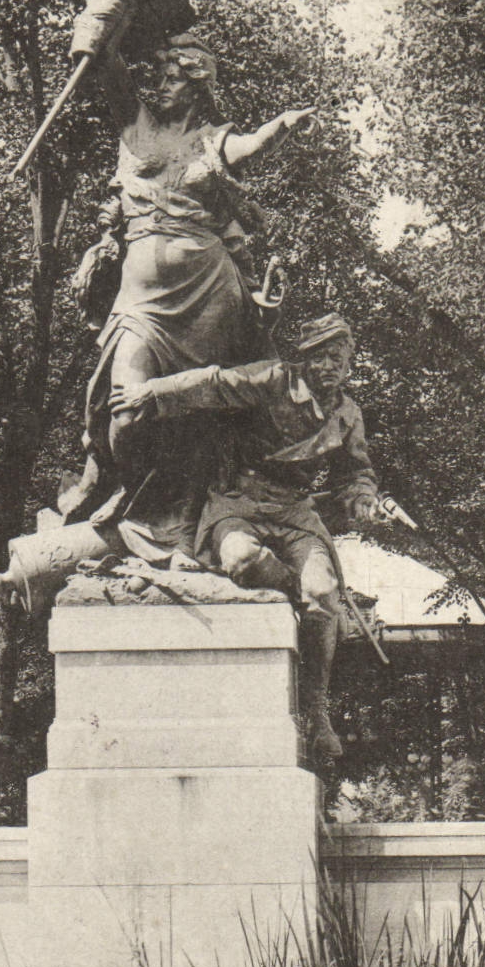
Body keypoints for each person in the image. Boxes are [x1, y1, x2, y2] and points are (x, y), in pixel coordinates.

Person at [59, 30, 314, 557]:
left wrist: (283, 125)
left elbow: (250, 147)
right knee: (122, 416)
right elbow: (103, 56)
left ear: (197, 86)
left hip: (207, 295)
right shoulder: (135, 128)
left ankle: (181, 521)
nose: (161, 85)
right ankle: (128, 492)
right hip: (141, 302)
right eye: (157, 76)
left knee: (199, 413)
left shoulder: (214, 140)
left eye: (173, 77)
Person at [108, 313, 378, 762]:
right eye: (321, 356)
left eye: (339, 357)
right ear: (304, 359)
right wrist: (150, 393)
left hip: (294, 511)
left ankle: (316, 707)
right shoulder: (274, 380)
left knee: (326, 591)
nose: (331, 365)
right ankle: (297, 596)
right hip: (238, 500)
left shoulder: (348, 415)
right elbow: (213, 384)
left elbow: (358, 471)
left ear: (349, 362)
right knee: (242, 561)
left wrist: (363, 497)